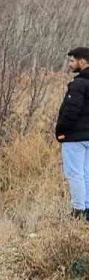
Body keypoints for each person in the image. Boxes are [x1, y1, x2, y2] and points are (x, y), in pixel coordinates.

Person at [56, 47, 89, 220]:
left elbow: (71, 110)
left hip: (75, 136)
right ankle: (87, 208)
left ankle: (78, 210)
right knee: (86, 172)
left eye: (72, 61)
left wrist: (61, 131)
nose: (70, 64)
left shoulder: (79, 84)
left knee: (75, 173)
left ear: (82, 62)